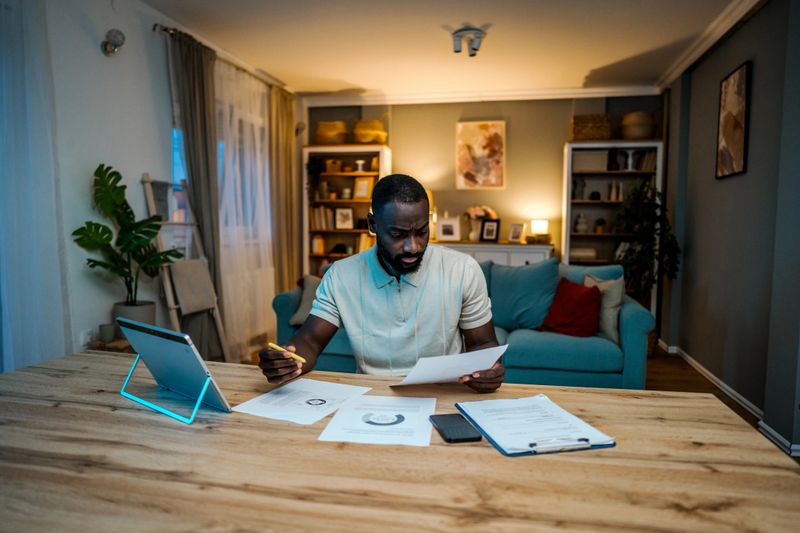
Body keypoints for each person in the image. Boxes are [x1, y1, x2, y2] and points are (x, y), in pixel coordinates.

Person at [259, 174, 504, 393]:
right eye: (398, 235)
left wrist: (488, 369)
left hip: (444, 393)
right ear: (373, 225)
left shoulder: (462, 269)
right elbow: (310, 341)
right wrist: (288, 360)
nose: (413, 246)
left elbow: (482, 343)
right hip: (371, 394)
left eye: (421, 231)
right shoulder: (341, 275)